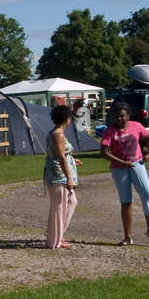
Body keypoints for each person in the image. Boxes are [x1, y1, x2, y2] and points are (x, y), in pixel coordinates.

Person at [101, 102, 149, 244]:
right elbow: (104, 152)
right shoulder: (110, 131)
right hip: (119, 169)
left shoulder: (136, 126)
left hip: (137, 164)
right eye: (117, 117)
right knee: (126, 201)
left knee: (148, 195)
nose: (119, 119)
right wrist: (122, 163)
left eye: (122, 116)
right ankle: (128, 236)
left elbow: (148, 138)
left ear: (128, 116)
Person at [43, 105, 82, 249]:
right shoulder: (58, 134)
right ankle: (55, 240)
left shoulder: (55, 133)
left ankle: (57, 235)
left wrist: (72, 160)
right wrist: (69, 177)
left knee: (68, 203)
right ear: (67, 118)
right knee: (59, 206)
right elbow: (60, 156)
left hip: (58, 173)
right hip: (58, 176)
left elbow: (61, 154)